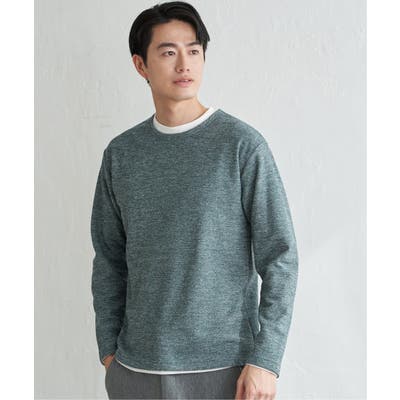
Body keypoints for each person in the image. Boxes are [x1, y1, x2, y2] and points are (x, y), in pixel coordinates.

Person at [90, 1, 299, 399]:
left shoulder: (241, 145)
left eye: (194, 50)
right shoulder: (122, 154)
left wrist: (266, 360)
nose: (185, 64)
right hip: (135, 371)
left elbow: (281, 256)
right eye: (168, 52)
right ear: (140, 65)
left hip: (225, 370)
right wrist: (109, 352)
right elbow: (109, 259)